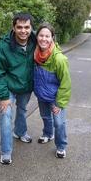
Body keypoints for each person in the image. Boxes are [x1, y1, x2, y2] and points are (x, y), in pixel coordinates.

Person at [0, 13, 36, 165]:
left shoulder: (36, 40)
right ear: (13, 28)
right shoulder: (3, 46)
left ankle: (20, 132)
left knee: (22, 110)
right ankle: (6, 151)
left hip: (25, 85)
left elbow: (50, 48)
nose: (23, 31)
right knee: (5, 115)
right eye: (20, 27)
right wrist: (3, 96)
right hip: (8, 87)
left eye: (27, 27)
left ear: (31, 28)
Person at [33, 22, 71, 158]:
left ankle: (61, 146)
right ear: (37, 37)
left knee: (59, 123)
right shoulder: (35, 55)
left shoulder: (59, 59)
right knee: (45, 117)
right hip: (41, 94)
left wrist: (59, 103)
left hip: (56, 97)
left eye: (47, 36)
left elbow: (66, 83)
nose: (44, 39)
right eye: (41, 35)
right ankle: (48, 134)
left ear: (52, 38)